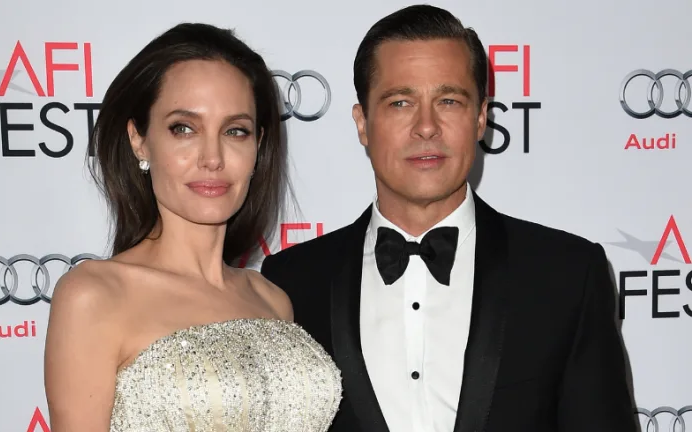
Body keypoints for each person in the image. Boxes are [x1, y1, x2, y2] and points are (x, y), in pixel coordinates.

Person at [260, 5, 636, 432]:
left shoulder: (568, 274)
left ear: (480, 118)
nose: (426, 127)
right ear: (363, 123)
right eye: (400, 102)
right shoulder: (290, 284)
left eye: (449, 101)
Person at [43, 23, 341, 432]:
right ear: (139, 140)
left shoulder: (272, 300)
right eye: (184, 128)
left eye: (235, 131)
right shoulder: (94, 296)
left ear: (258, 146)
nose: (212, 158)